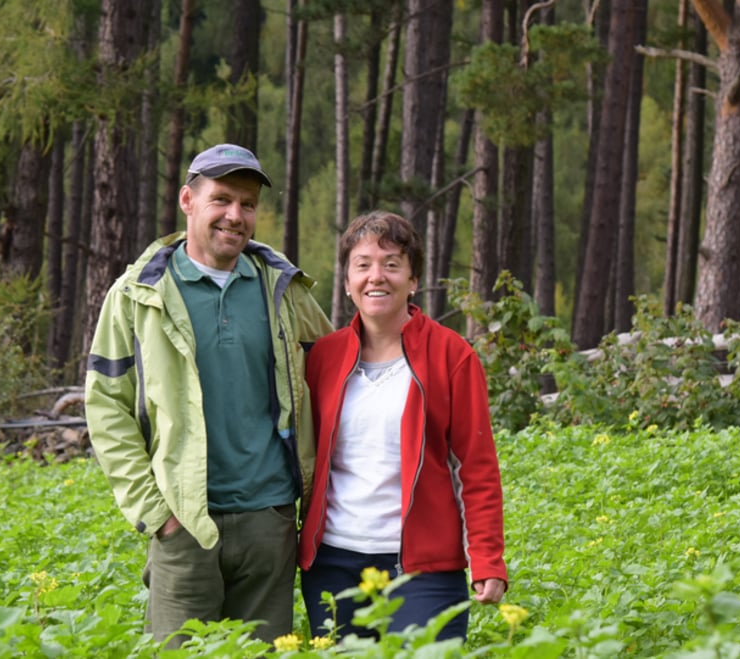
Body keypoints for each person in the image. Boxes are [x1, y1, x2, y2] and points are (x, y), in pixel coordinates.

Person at [84, 143, 334, 646]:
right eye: (221, 199)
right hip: (184, 528)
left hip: (270, 523)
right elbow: (106, 408)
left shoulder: (287, 292)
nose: (234, 216)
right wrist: (158, 514)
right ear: (187, 200)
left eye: (247, 204)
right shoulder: (137, 296)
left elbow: (336, 378)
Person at [297, 210, 507, 642]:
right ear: (347, 281)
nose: (377, 276)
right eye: (363, 264)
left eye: (392, 264)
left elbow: (477, 467)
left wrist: (487, 558)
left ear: (413, 280)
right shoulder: (322, 358)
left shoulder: (453, 356)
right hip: (333, 565)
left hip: (423, 570)